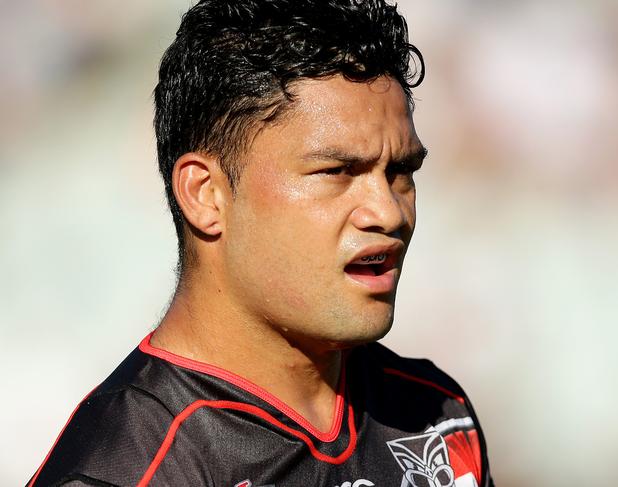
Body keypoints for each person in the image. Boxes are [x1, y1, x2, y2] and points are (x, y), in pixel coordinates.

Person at [28, 0, 494, 486]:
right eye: (336, 171)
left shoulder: (437, 415)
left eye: (400, 172)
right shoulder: (127, 469)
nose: (389, 212)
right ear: (205, 195)